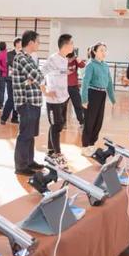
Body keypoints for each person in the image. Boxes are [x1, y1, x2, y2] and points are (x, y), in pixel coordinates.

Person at [12, 31, 45, 176]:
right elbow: (37, 76)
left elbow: (38, 75)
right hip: (26, 102)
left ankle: (29, 161)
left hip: (33, 102)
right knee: (25, 134)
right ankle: (21, 166)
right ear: (31, 42)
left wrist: (33, 79)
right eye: (38, 41)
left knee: (30, 135)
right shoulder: (21, 58)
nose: (39, 44)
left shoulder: (29, 58)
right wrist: (33, 79)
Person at [42, 34, 74, 166]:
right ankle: (57, 153)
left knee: (58, 125)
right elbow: (40, 74)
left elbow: (58, 73)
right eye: (72, 43)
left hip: (63, 98)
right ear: (65, 45)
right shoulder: (53, 59)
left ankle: (50, 151)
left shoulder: (64, 59)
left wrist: (66, 73)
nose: (73, 46)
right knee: (56, 125)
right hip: (53, 100)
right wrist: (45, 91)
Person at [81, 43, 116, 155]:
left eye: (105, 50)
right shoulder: (90, 65)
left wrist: (113, 99)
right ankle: (85, 146)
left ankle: (92, 144)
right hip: (92, 94)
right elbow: (85, 83)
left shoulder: (105, 66)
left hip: (102, 95)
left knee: (98, 122)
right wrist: (84, 99)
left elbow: (109, 83)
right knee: (89, 121)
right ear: (95, 52)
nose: (104, 53)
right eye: (101, 50)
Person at [0, 38, 22, 125]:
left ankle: (14, 118)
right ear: (16, 44)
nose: (22, 44)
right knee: (11, 99)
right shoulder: (10, 54)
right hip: (10, 79)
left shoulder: (23, 54)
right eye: (20, 43)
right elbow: (11, 63)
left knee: (17, 99)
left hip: (19, 80)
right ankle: (4, 118)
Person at [67, 52, 86, 127]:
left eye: (71, 59)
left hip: (74, 87)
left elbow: (83, 65)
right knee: (62, 106)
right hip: (64, 87)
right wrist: (64, 72)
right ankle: (63, 123)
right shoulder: (62, 61)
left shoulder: (75, 60)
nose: (70, 60)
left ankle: (82, 122)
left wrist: (77, 58)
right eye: (68, 59)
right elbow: (56, 71)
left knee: (78, 105)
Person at [0, 41, 8, 109]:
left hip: (2, 74)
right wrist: (7, 70)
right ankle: (9, 105)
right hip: (9, 74)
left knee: (2, 90)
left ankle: (0, 105)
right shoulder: (8, 54)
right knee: (10, 90)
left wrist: (3, 70)